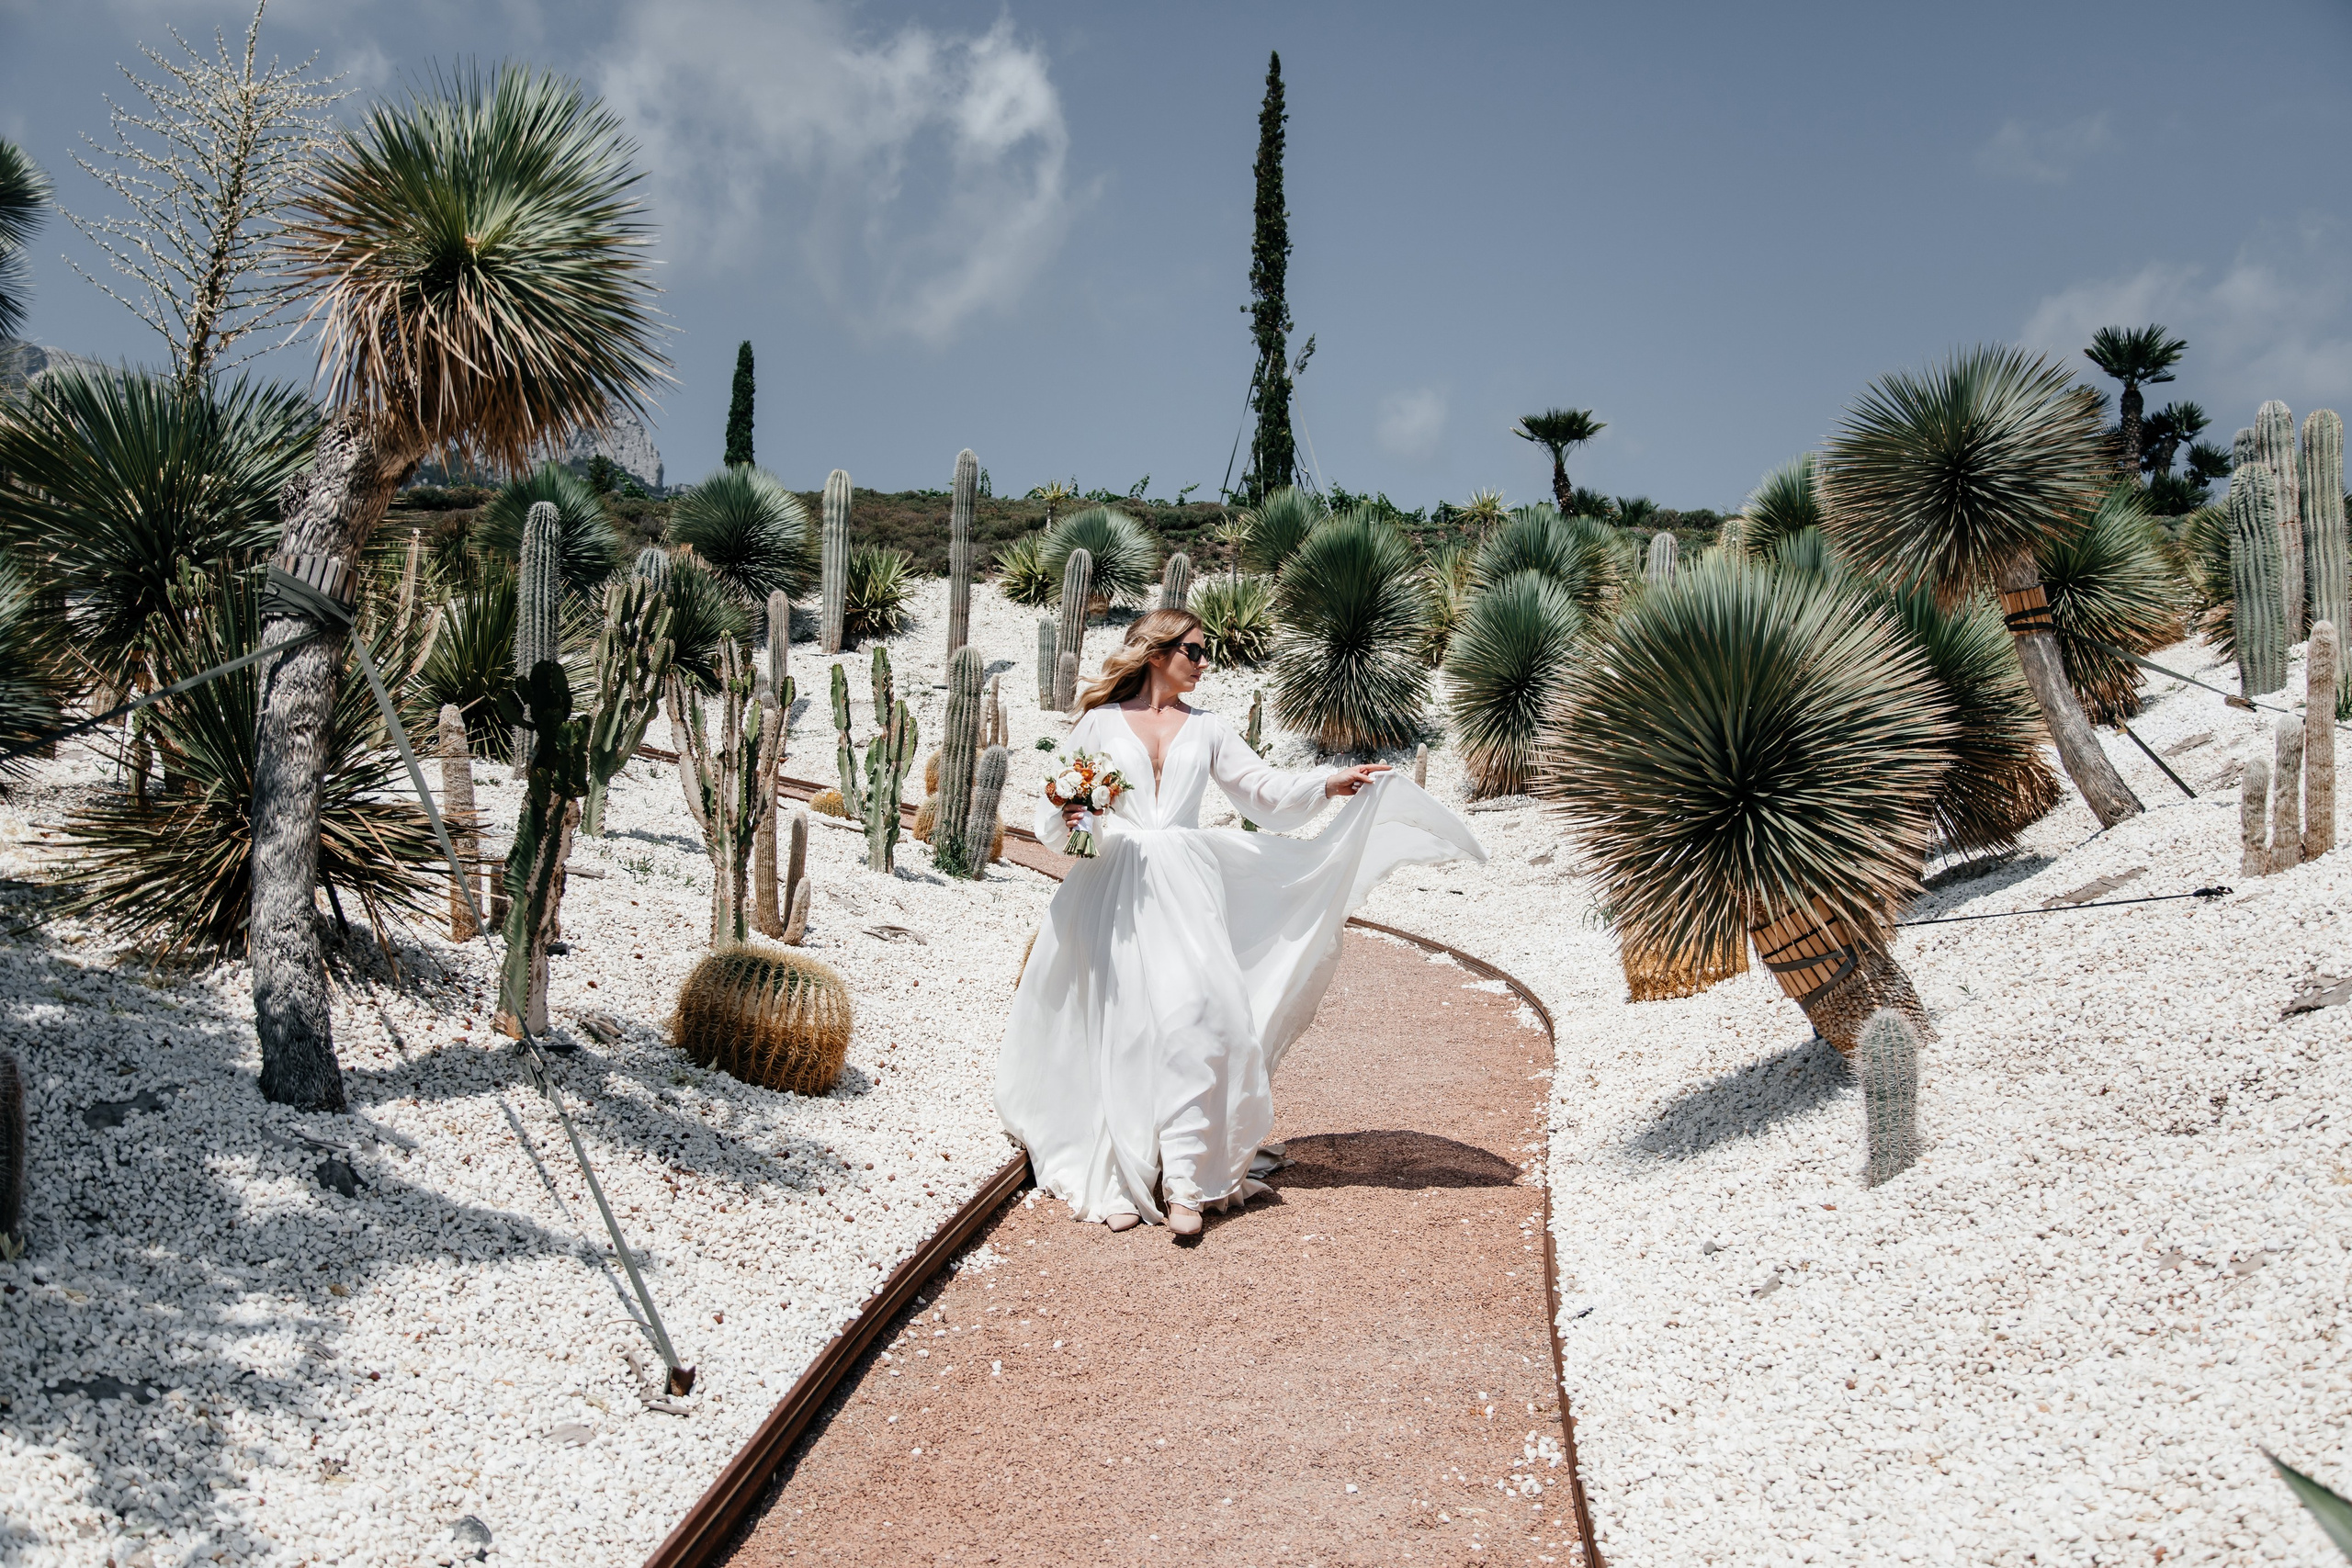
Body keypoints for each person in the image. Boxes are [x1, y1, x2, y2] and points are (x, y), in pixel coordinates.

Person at [993, 608, 1485, 1239]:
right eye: (1195, 651)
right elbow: (1057, 815)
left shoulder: (1211, 729)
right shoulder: (1099, 722)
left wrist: (1330, 783)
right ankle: (1119, 1173)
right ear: (1157, 653)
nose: (1205, 663)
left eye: (1205, 653)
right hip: (1114, 885)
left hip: (1185, 890)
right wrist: (1090, 818)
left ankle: (1186, 1180)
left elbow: (1262, 790)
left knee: (1195, 1016)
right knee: (1122, 1025)